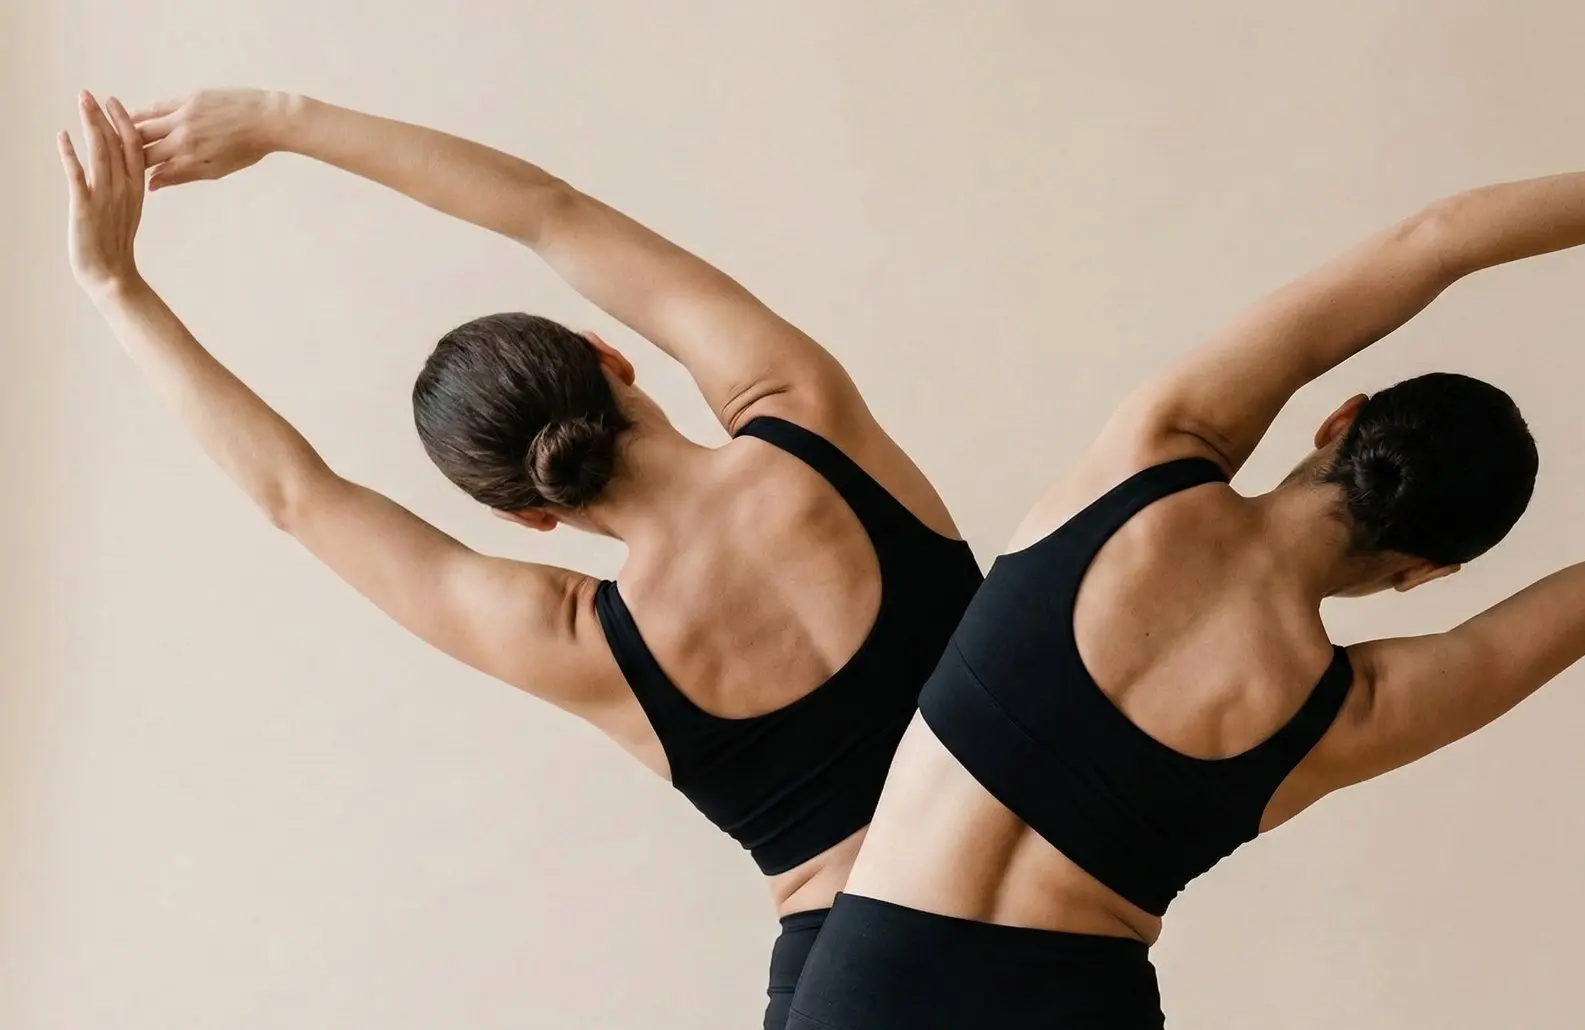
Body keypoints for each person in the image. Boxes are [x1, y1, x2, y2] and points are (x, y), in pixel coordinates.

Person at [784, 162, 1585, 1028]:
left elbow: (1436, 240)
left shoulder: (1149, 456)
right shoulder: (1348, 710)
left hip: (865, 976)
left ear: (1335, 421)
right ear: (1423, 574)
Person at [59, 88, 984, 1030]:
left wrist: (113, 285)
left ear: (525, 515)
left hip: (849, 980)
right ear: (608, 356)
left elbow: (299, 497)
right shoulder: (808, 413)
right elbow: (550, 211)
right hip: (1050, 889)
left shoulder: (576, 641)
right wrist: (279, 119)